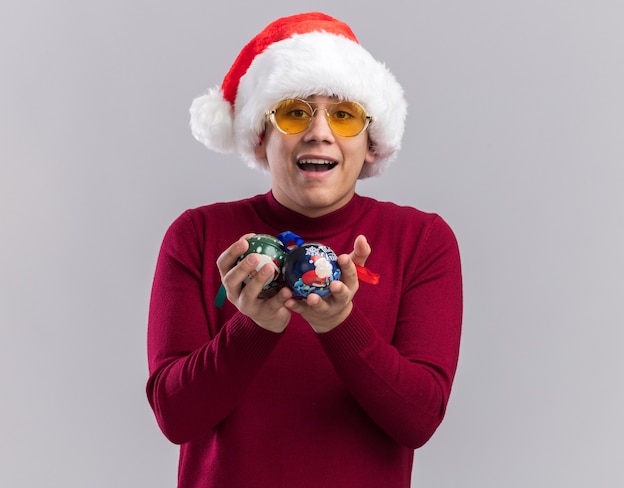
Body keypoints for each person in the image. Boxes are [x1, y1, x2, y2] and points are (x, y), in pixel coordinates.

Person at [146, 11, 463, 488]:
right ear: (261, 135)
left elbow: (418, 420)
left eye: (344, 114)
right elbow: (175, 416)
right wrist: (253, 327)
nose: (319, 132)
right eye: (295, 112)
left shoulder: (422, 241)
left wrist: (338, 324)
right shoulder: (197, 236)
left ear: (371, 143)